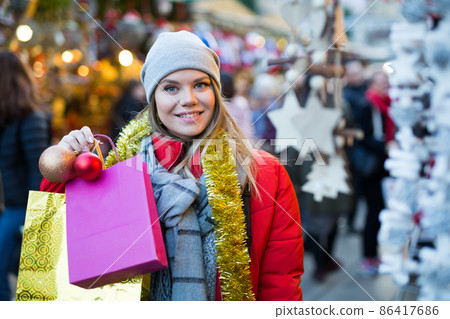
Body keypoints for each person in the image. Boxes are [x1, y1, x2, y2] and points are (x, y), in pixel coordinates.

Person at [41, 31, 304, 301]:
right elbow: (63, 247)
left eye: (201, 84)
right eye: (171, 88)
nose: (188, 98)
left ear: (216, 91)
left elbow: (279, 284)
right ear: (153, 97)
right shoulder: (119, 171)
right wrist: (66, 168)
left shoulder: (265, 174)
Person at [0, 50, 51, 300]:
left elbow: (38, 170)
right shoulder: (7, 119)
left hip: (20, 208)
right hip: (8, 207)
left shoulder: (32, 118)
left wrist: (36, 220)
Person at [353, 71, 394, 277]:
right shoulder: (367, 104)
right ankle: (368, 257)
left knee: (378, 213)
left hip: (383, 167)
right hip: (371, 170)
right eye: (381, 81)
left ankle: (373, 255)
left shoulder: (387, 104)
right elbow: (362, 136)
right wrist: (385, 146)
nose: (385, 84)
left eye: (387, 80)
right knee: (372, 214)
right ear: (372, 84)